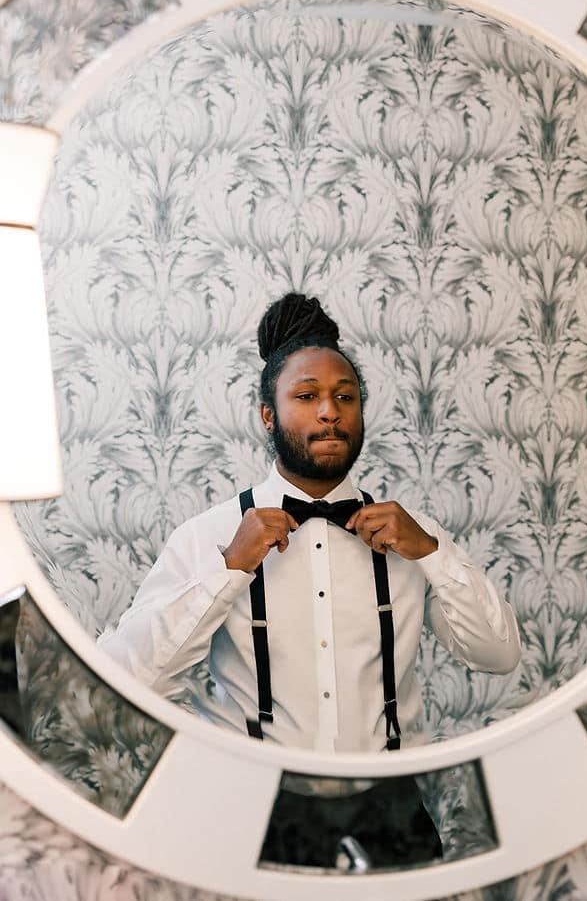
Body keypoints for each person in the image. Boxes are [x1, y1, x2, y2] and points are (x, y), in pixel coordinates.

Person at [99, 293, 520, 867]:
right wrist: (229, 568)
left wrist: (431, 552)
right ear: (267, 415)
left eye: (345, 397)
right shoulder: (208, 536)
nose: (329, 412)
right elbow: (128, 682)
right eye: (306, 396)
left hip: (392, 820)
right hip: (248, 815)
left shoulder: (415, 536)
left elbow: (498, 655)